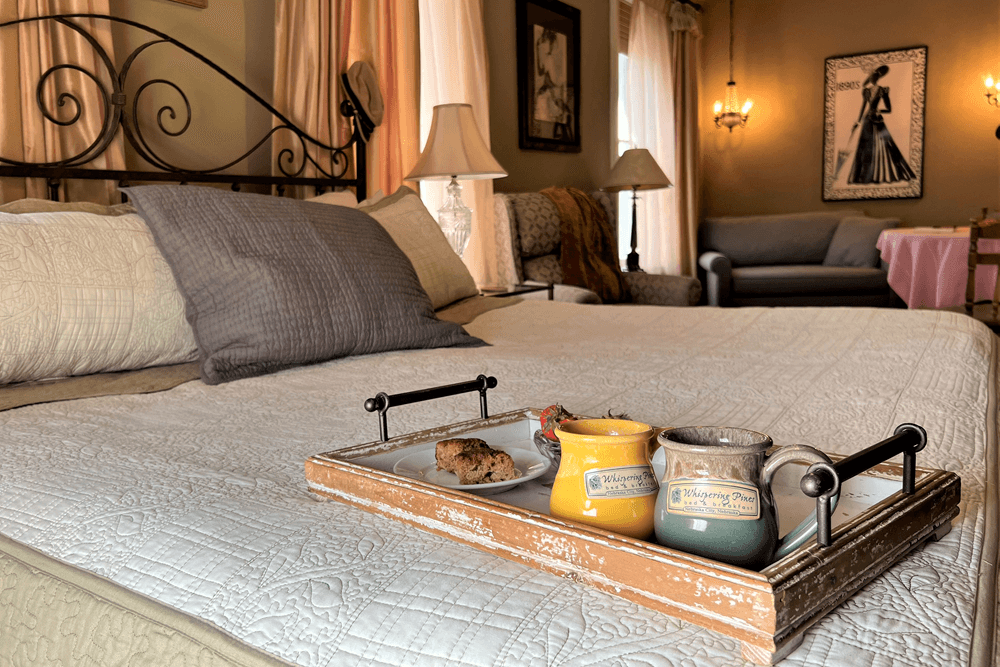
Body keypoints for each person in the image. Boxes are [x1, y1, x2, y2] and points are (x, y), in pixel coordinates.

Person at [847, 64, 915, 185]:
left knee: (881, 146)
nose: (871, 79)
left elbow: (889, 109)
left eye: (872, 76)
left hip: (876, 120)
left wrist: (879, 111)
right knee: (864, 147)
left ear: (877, 77)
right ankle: (862, 177)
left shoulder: (883, 90)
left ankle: (874, 175)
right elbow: (863, 108)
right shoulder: (866, 91)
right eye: (870, 77)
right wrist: (857, 122)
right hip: (867, 120)